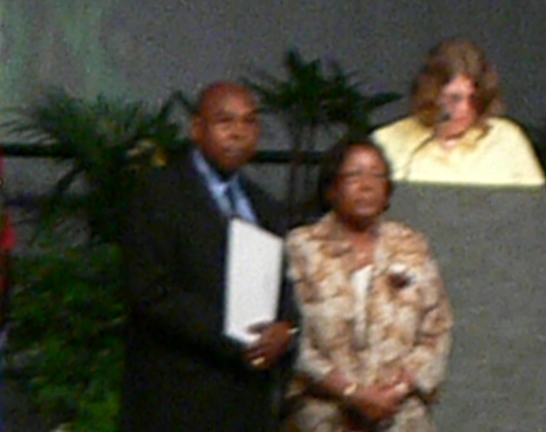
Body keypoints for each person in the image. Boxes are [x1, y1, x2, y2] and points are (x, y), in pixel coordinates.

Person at [119, 82, 297, 431]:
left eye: (249, 122)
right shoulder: (157, 193)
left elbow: (283, 289)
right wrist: (236, 337)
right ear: (197, 129)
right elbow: (151, 291)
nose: (238, 133)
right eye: (225, 121)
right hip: (177, 395)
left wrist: (286, 330)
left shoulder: (264, 206)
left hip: (247, 399)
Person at [285, 139, 453, 431]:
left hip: (400, 414)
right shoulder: (302, 247)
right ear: (331, 188)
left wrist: (395, 391)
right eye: (354, 175)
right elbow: (290, 335)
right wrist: (352, 393)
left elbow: (437, 327)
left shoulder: (411, 245)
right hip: (324, 414)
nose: (366, 185)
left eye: (377, 175)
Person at [372, 37, 546, 186]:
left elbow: (537, 208)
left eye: (474, 99)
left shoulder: (507, 139)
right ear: (430, 95)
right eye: (454, 98)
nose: (464, 108)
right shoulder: (386, 142)